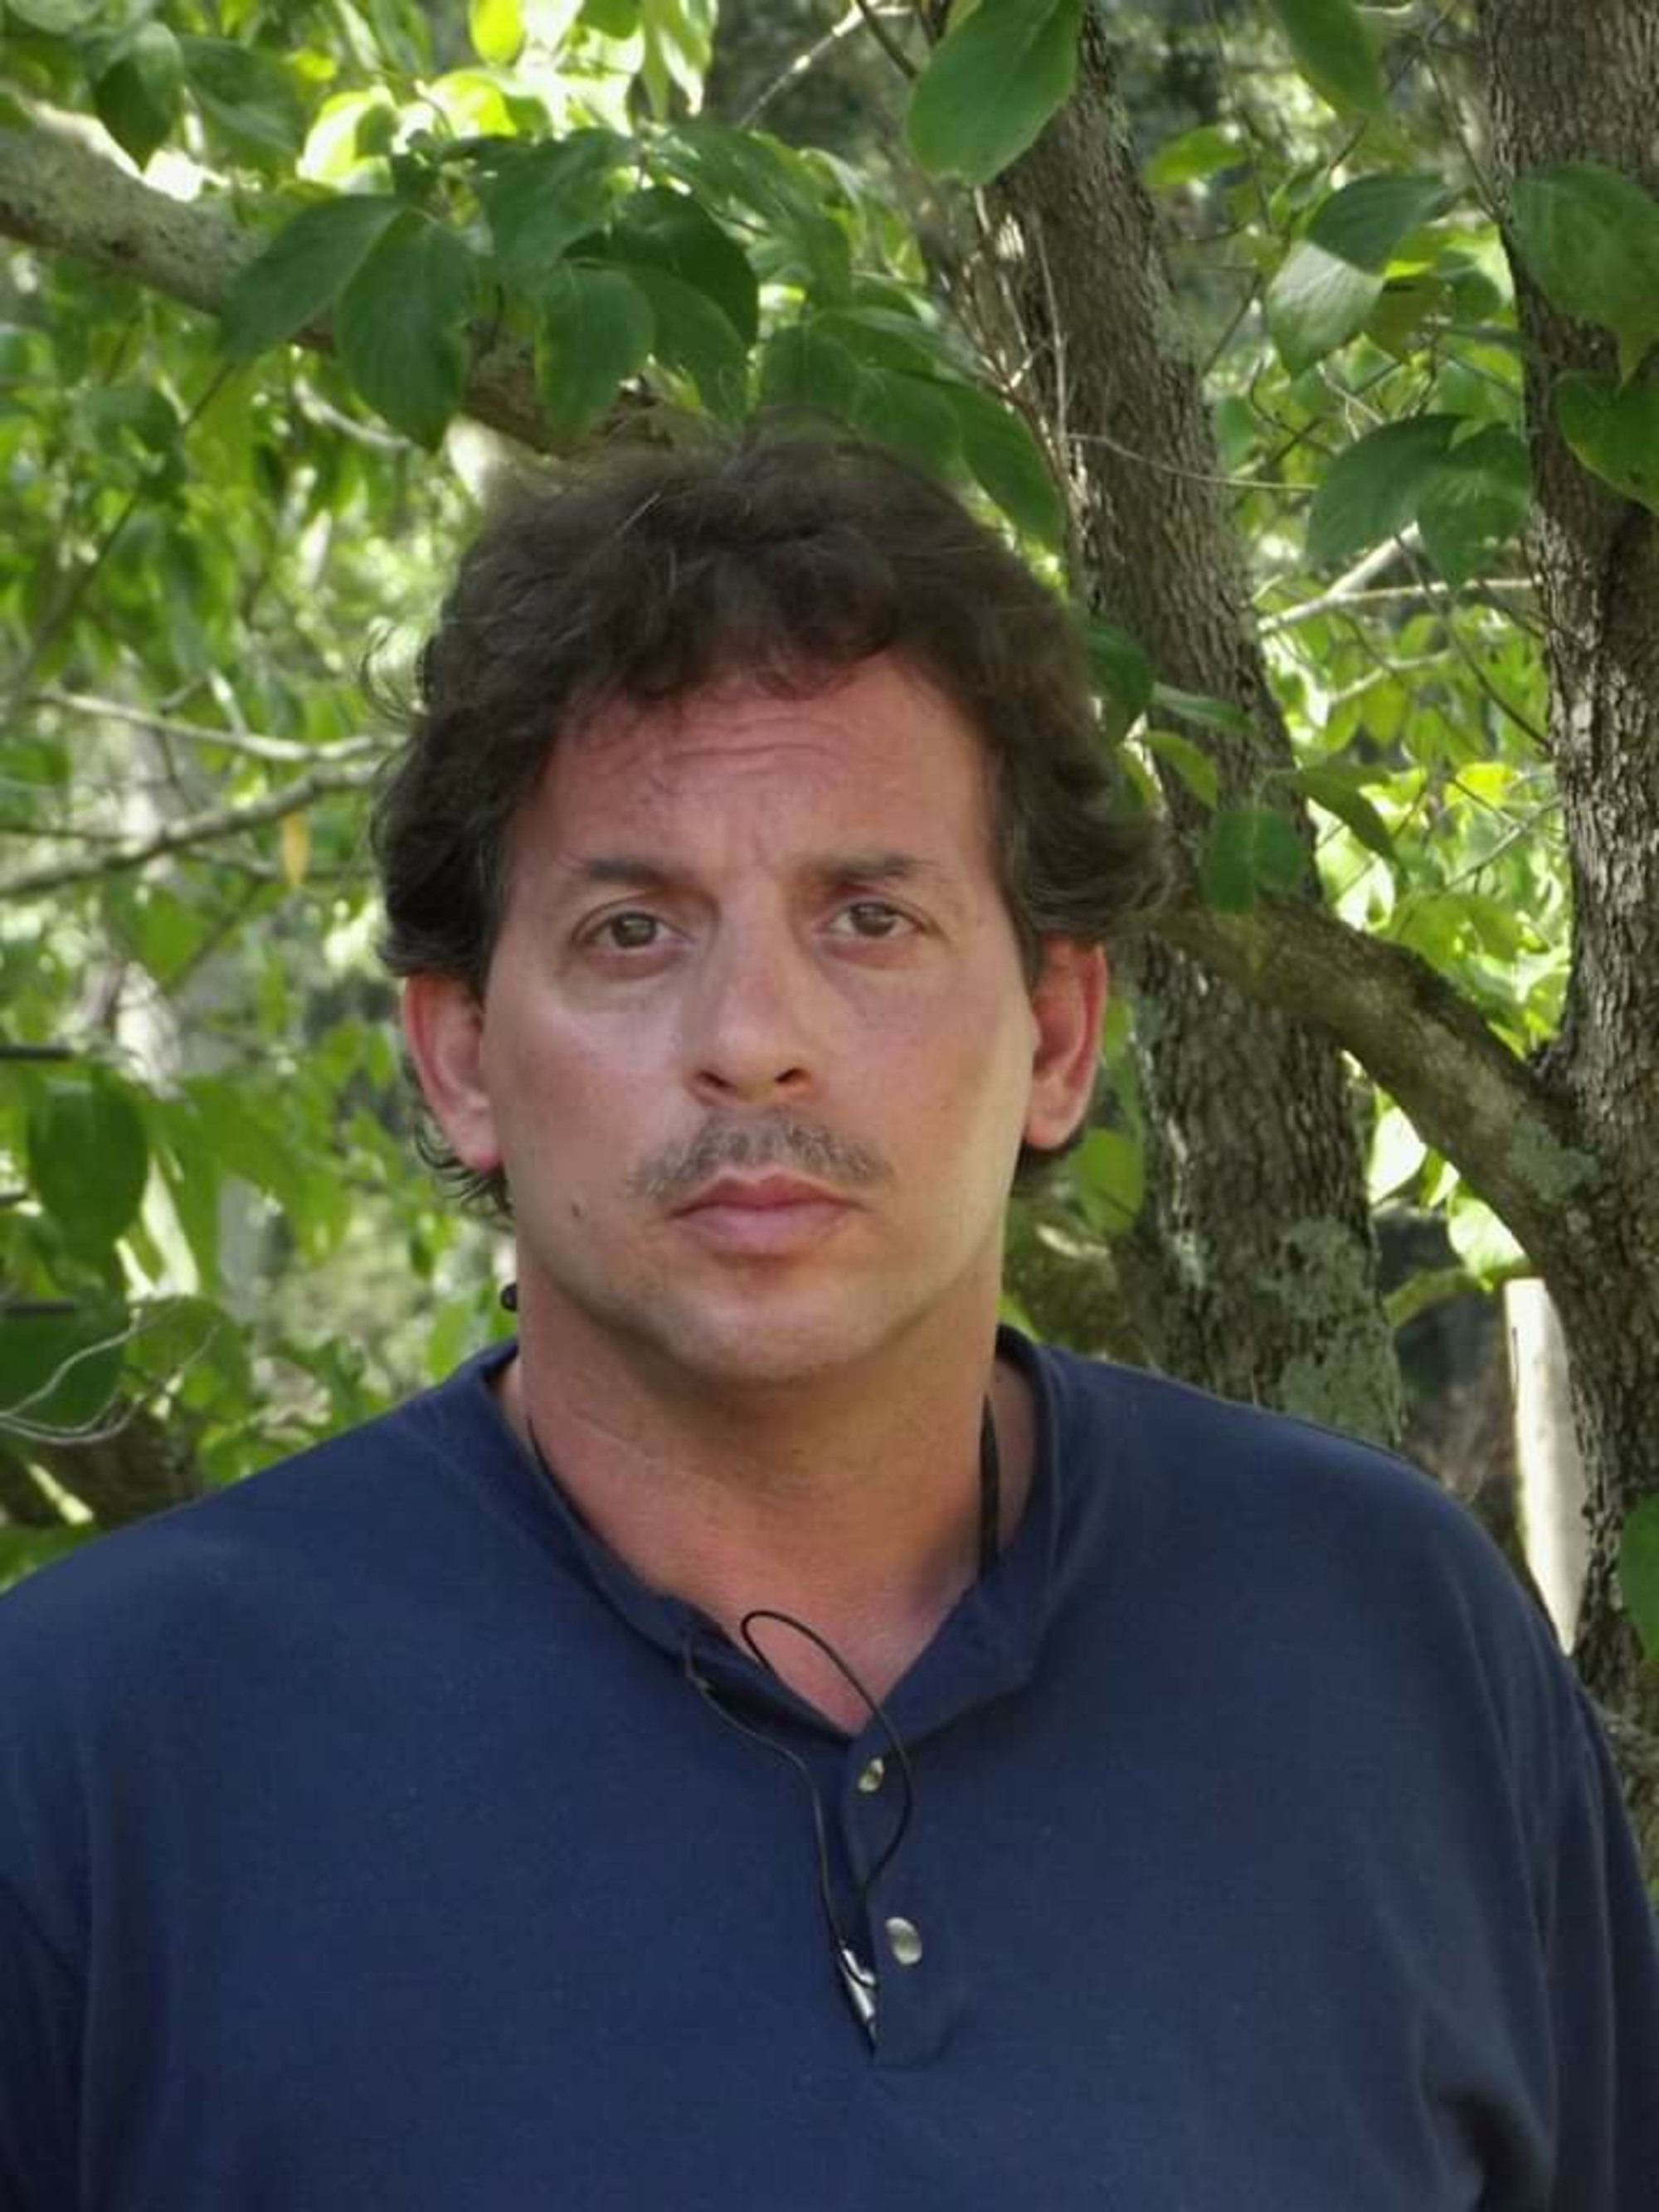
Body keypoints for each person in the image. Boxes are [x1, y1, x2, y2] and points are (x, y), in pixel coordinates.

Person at [1, 432, 1654, 2211]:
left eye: (868, 918)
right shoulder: (92, 1755)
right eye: (633, 931)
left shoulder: (1395, 1644)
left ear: (1058, 1034)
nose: (753, 1038)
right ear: (460, 1055)